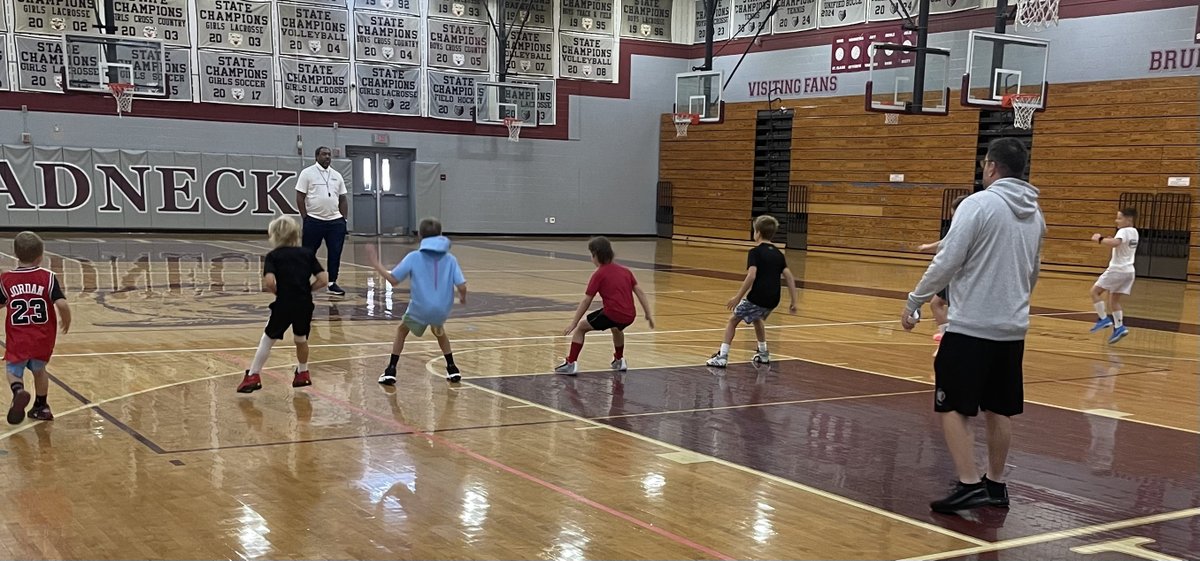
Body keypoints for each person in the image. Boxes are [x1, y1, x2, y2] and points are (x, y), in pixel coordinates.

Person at [900, 138, 1045, 513]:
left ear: (992, 167)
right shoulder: (1035, 214)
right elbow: (1033, 271)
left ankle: (968, 484)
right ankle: (995, 485)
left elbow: (948, 260)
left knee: (952, 407)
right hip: (1012, 328)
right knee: (999, 409)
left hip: (971, 327)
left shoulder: (977, 204)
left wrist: (915, 299)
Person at [365, 218, 467, 385]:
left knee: (401, 331)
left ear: (420, 236)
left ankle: (391, 370)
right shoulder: (451, 259)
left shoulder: (414, 257)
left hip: (420, 308)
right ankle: (452, 367)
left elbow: (393, 280)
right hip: (441, 310)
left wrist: (376, 264)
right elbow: (462, 286)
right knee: (438, 330)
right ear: (440, 235)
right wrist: (462, 298)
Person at [237, 216, 328, 393]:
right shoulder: (307, 254)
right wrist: (307, 290)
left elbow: (270, 282)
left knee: (268, 339)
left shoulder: (273, 256)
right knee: (301, 339)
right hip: (304, 304)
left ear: (274, 235)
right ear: (296, 235)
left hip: (284, 303)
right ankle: (303, 372)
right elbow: (324, 279)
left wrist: (281, 292)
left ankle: (253, 375)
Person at [705, 215, 797, 367]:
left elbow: (751, 275)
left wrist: (738, 297)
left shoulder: (755, 252)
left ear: (758, 233)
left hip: (758, 297)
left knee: (732, 321)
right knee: (757, 318)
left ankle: (722, 356)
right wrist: (793, 301)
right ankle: (763, 353)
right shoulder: (778, 254)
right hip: (773, 299)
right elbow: (789, 277)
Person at [555, 236, 654, 375]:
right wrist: (648, 313)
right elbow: (640, 292)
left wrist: (574, 323)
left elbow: (586, 301)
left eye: (591, 255)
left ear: (595, 255)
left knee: (581, 328)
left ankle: (571, 363)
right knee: (616, 327)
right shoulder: (625, 271)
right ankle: (619, 360)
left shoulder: (599, 274)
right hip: (629, 315)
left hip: (613, 313)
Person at [1, 232, 71, 423]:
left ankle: (18, 391)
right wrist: (66, 319)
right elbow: (62, 304)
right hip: (42, 337)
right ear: (41, 256)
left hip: (18, 338)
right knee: (40, 371)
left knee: (13, 371)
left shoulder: (6, 280)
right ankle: (41, 406)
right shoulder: (48, 278)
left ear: (15, 254)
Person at [917, 195, 969, 357]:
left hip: (958, 274)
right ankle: (948, 339)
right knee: (937, 303)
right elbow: (947, 241)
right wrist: (928, 246)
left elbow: (948, 245)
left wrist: (928, 247)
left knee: (942, 306)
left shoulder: (964, 225)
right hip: (958, 274)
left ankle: (949, 342)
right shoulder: (969, 224)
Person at [296, 146, 348, 297]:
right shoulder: (307, 173)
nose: (327, 157)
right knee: (308, 252)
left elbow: (343, 198)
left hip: (335, 221)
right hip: (314, 220)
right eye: (324, 154)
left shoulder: (337, 175)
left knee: (335, 252)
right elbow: (300, 196)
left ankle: (332, 283)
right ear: (317, 156)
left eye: (329, 155)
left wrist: (343, 219)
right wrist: (305, 217)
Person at [1088, 208, 1139, 344]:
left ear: (1129, 219)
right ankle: (1119, 327)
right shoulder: (1134, 232)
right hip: (1129, 271)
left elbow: (1116, 243)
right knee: (1114, 301)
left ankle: (1103, 319)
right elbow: (1120, 244)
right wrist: (1111, 241)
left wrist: (1100, 239)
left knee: (1094, 292)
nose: (1116, 221)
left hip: (1117, 269)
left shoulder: (1123, 231)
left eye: (1119, 218)